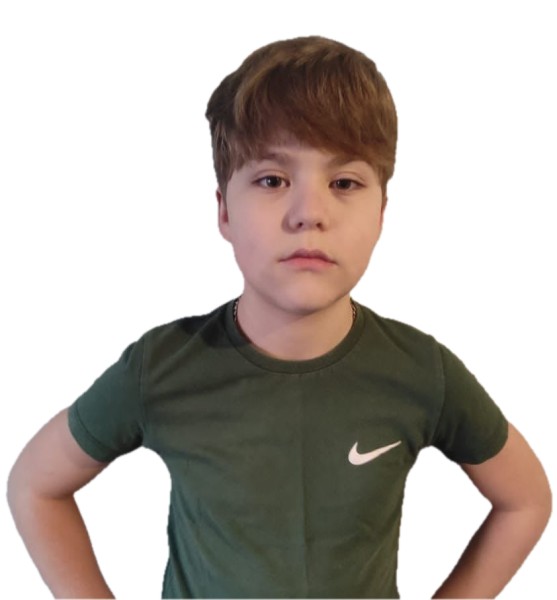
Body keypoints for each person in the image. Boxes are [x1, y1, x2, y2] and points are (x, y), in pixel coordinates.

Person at [7, 35, 551, 599]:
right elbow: (35, 488)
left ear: (382, 213)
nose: (309, 213)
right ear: (224, 209)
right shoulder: (163, 367)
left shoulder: (421, 372)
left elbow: (526, 500)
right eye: (272, 180)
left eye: (344, 183)